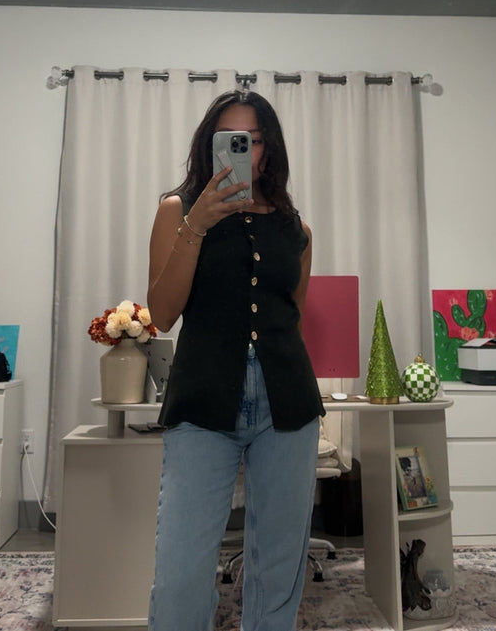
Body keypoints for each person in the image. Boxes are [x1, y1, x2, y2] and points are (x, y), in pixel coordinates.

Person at [147, 89, 325, 631]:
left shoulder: (296, 228)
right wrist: (197, 224)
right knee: (180, 570)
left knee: (278, 568)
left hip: (288, 405)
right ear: (211, 143)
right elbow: (162, 313)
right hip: (203, 400)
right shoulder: (178, 210)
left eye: (255, 138)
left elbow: (292, 315)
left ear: (270, 149)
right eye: (231, 137)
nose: (244, 147)